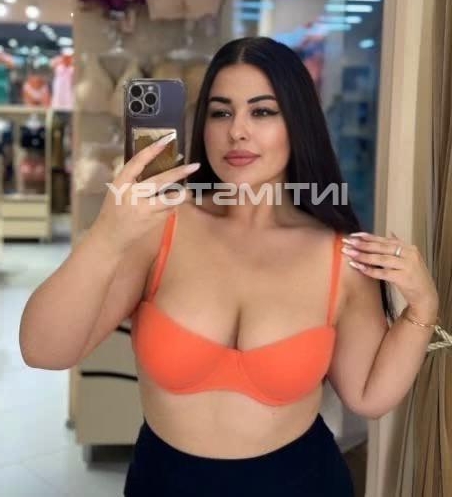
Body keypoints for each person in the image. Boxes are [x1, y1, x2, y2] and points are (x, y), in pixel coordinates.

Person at [19, 37, 440, 496]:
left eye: (262, 111)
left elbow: (369, 396)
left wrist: (423, 307)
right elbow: (43, 351)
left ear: (297, 122)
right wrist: (107, 235)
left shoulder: (339, 254)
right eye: (221, 113)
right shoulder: (160, 228)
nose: (237, 131)